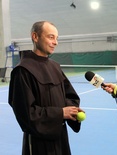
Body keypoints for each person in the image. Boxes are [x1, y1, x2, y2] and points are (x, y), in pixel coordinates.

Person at [8, 21, 84, 155]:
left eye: (56, 38)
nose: (55, 42)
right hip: (39, 144)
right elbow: (26, 115)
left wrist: (71, 110)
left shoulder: (55, 66)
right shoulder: (23, 71)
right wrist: (60, 113)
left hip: (61, 138)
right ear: (35, 37)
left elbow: (69, 96)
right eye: (51, 37)